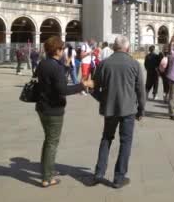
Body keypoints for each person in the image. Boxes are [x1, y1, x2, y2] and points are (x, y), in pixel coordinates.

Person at [35, 36, 93, 188]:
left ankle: (47, 169)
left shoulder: (43, 63)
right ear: (57, 50)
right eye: (61, 49)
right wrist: (83, 85)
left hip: (42, 107)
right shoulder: (55, 66)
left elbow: (54, 79)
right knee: (52, 142)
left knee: (48, 140)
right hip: (53, 109)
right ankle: (47, 178)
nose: (63, 51)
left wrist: (66, 67)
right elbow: (63, 89)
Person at [91, 36, 145, 189]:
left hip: (110, 109)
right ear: (127, 48)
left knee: (106, 138)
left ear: (114, 47)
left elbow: (93, 87)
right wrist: (141, 109)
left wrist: (102, 99)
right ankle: (119, 178)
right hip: (128, 110)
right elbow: (140, 90)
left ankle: (99, 173)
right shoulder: (134, 64)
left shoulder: (104, 64)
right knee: (125, 142)